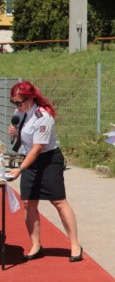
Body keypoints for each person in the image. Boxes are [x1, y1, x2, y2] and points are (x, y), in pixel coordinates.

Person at [7, 81, 83, 262]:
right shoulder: (20, 112)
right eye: (14, 103)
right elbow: (23, 142)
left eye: (20, 102)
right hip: (29, 159)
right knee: (28, 203)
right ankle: (36, 244)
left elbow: (37, 148)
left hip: (48, 160)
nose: (17, 106)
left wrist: (19, 170)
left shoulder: (44, 116)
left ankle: (74, 244)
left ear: (30, 98)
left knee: (58, 201)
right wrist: (14, 132)